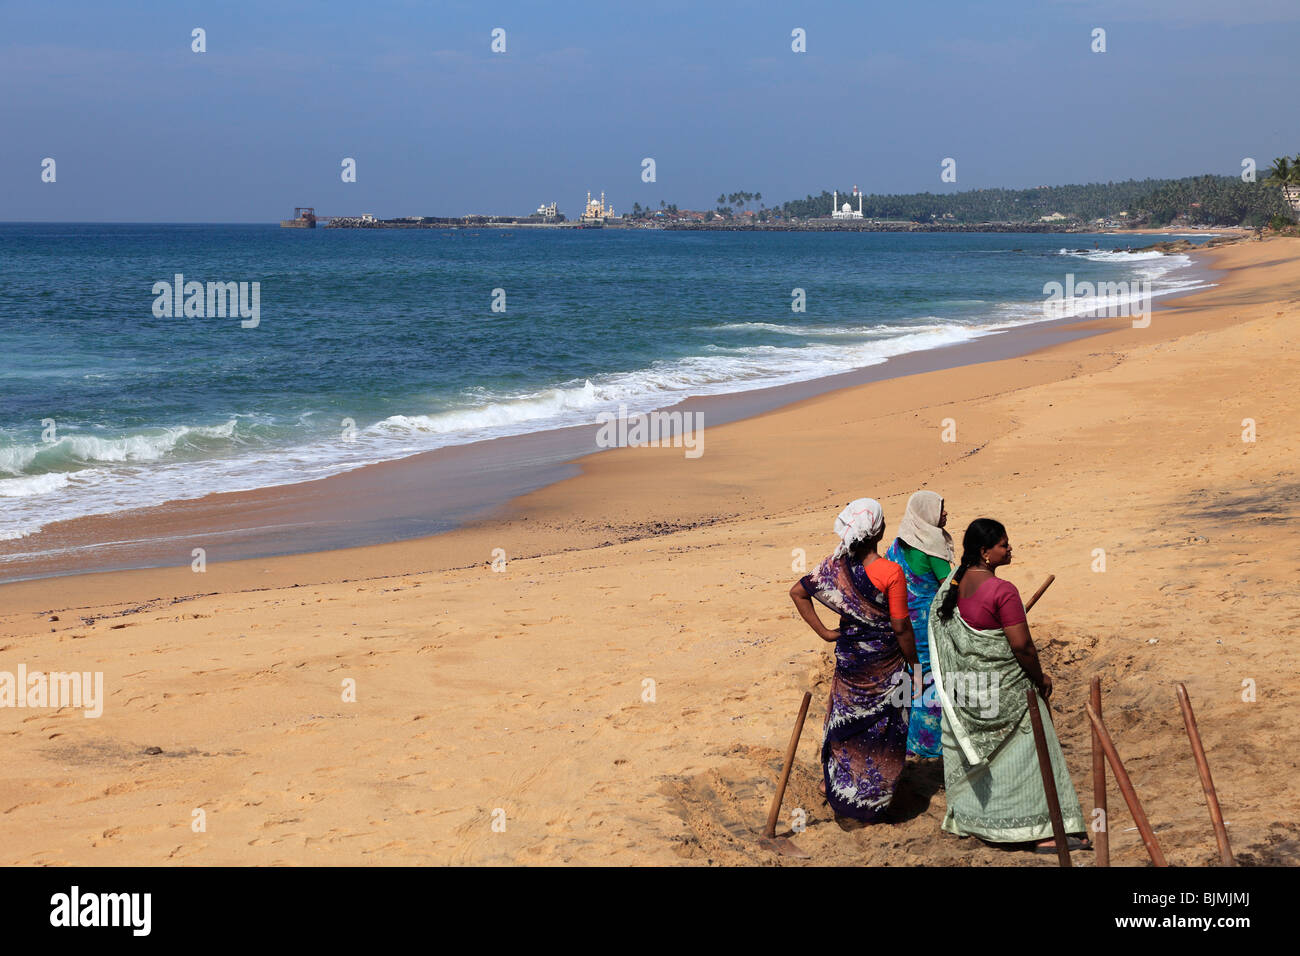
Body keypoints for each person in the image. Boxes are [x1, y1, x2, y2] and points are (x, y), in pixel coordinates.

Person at [929, 518, 1090, 852]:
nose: (1009, 548)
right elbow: (1021, 647)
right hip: (1008, 690)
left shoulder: (951, 586)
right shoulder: (1003, 591)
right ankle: (1043, 832)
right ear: (985, 552)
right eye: (1003, 544)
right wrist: (1039, 677)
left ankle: (977, 821)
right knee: (1031, 754)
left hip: (968, 690)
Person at [789, 498, 918, 822]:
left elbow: (798, 592)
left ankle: (834, 785)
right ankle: (872, 798)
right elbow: (901, 626)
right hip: (885, 664)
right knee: (883, 726)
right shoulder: (891, 572)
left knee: (846, 721)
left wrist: (825, 632)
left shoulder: (835, 566)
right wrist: (915, 665)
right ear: (880, 530)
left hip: (850, 663)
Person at [884, 490, 953, 758]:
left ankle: (904, 739)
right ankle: (928, 744)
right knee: (933, 676)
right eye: (941, 509)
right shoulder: (931, 548)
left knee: (911, 676)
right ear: (926, 514)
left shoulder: (896, 545)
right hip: (927, 626)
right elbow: (950, 587)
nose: (946, 513)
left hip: (900, 622)